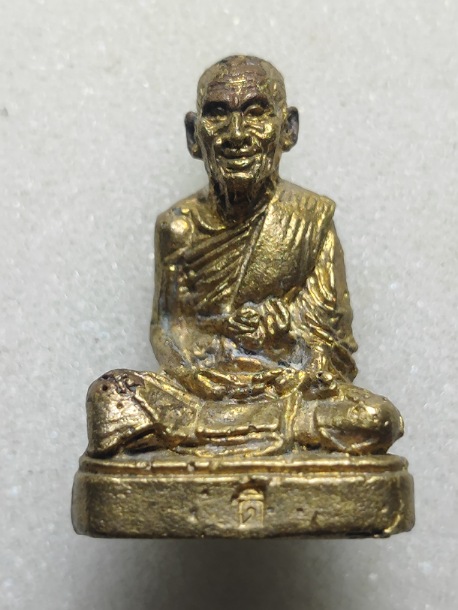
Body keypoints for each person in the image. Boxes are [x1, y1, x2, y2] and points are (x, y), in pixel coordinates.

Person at [86, 55, 403, 459]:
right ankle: (263, 428)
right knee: (109, 397)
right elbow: (168, 328)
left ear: (288, 129)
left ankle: (205, 430)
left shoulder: (309, 218)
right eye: (218, 115)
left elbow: (334, 352)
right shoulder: (177, 226)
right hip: (203, 390)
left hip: (286, 388)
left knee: (375, 418)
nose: (236, 134)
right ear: (193, 135)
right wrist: (203, 367)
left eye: (255, 113)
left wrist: (285, 339)